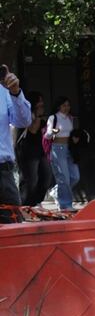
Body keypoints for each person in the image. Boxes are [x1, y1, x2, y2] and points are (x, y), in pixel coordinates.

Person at [0, 66, 31, 223]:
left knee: (13, 227)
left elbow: (24, 121)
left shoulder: (4, 92)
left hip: (3, 174)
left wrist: (15, 92)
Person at [17, 91, 53, 208]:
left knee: (47, 177)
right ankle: (26, 203)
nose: (42, 106)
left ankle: (37, 201)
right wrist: (36, 116)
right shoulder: (27, 117)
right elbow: (32, 131)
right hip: (28, 151)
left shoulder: (42, 119)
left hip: (41, 150)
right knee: (31, 179)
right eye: (40, 103)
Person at [44, 96, 80, 211]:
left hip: (69, 148)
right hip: (57, 148)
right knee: (64, 178)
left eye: (68, 105)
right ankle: (65, 205)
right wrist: (55, 131)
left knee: (75, 176)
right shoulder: (53, 118)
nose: (66, 108)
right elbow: (47, 135)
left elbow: (72, 131)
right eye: (64, 105)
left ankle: (56, 191)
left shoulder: (70, 118)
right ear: (59, 106)